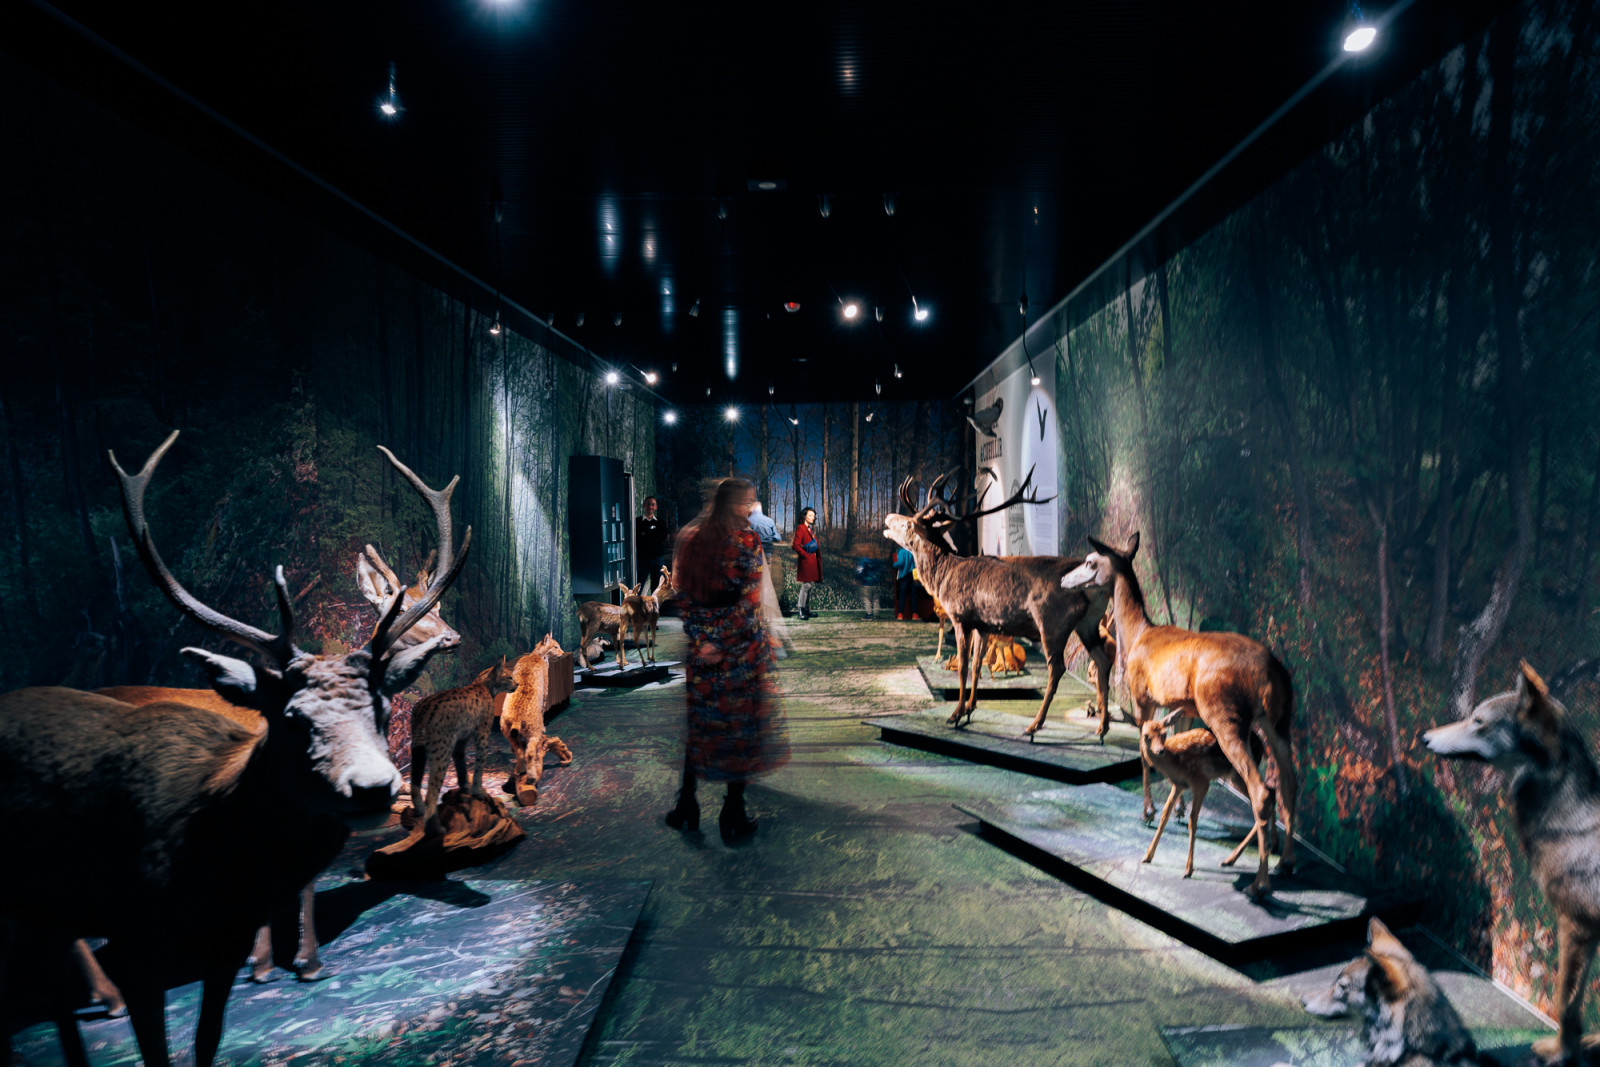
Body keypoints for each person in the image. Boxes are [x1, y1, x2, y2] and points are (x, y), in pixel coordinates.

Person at [664, 477, 789, 843]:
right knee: (740, 729)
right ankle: (733, 811)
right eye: (745, 502)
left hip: (702, 653)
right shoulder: (745, 540)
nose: (749, 509)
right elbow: (748, 604)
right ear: (729, 504)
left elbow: (682, 595)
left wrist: (702, 639)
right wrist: (719, 640)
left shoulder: (692, 538)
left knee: (700, 726)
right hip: (739, 653)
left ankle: (687, 804)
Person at [792, 506, 821, 620]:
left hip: (812, 562)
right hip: (806, 561)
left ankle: (806, 610)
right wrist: (805, 555)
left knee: (810, 585)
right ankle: (801, 610)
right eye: (810, 515)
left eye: (814, 516)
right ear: (804, 516)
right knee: (806, 585)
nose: (812, 518)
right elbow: (795, 545)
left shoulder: (809, 529)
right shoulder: (800, 528)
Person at [636, 496, 669, 594]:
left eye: (653, 504)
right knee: (638, 585)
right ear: (644, 506)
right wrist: (651, 536)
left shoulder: (660, 522)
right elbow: (637, 538)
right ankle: (636, 606)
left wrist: (645, 535)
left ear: (656, 507)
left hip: (657, 558)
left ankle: (654, 608)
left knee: (657, 586)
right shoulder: (636, 522)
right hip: (642, 559)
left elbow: (662, 537)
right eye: (648, 504)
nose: (650, 506)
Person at [853, 546, 889, 620]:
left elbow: (860, 571)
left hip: (866, 583)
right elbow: (884, 571)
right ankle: (876, 614)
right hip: (877, 583)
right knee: (876, 599)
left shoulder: (863, 561)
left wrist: (858, 579)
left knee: (867, 599)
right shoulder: (879, 562)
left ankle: (869, 614)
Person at [894, 543, 919, 620]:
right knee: (913, 595)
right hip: (913, 575)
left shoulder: (901, 551)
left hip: (904, 576)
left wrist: (893, 565)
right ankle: (915, 614)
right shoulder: (913, 551)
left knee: (902, 595)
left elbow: (900, 563)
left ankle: (900, 614)